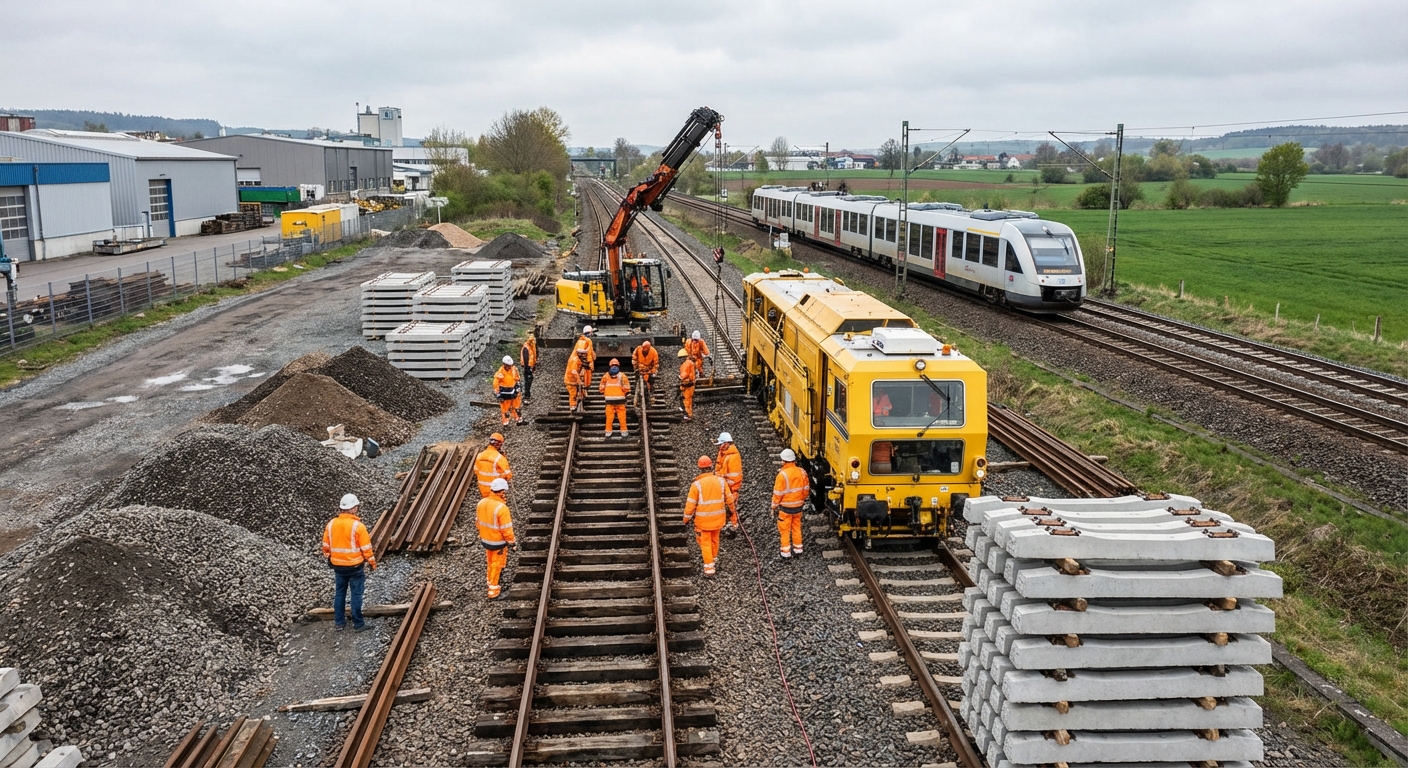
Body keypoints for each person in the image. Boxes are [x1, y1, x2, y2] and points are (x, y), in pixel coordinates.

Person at [321, 493, 377, 631]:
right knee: (356, 594)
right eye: (356, 506)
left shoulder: (331, 524)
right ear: (352, 508)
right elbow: (366, 548)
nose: (357, 509)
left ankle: (339, 623)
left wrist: (330, 557)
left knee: (340, 593)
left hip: (338, 567)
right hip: (355, 566)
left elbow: (325, 546)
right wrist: (372, 563)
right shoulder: (358, 526)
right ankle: (358, 624)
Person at [683, 456, 738, 577]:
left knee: (705, 542)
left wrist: (685, 519)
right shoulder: (721, 481)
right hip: (718, 519)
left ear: (700, 468)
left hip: (703, 522)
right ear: (711, 467)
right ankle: (713, 558)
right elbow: (730, 499)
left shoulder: (696, 485)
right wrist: (732, 512)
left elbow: (690, 505)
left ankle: (709, 568)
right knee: (715, 539)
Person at [476, 478, 517, 598]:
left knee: (490, 562)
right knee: (496, 564)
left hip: (485, 539)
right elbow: (506, 529)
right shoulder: (501, 508)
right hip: (497, 542)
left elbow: (478, 522)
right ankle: (493, 591)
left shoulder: (481, 503)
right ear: (502, 491)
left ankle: (490, 581)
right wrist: (512, 542)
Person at [772, 449, 810, 559]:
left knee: (784, 529)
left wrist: (774, 505)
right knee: (796, 527)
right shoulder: (802, 472)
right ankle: (798, 549)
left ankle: (785, 552)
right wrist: (801, 499)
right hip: (798, 507)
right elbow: (806, 489)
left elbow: (778, 493)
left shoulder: (782, 475)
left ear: (784, 461)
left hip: (786, 508)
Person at [599, 358, 632, 438]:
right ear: (618, 366)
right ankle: (624, 432)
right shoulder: (622, 376)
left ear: (610, 366)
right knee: (622, 417)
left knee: (609, 417)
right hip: (620, 400)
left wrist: (606, 393)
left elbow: (601, 388)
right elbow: (627, 388)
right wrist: (624, 394)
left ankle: (608, 432)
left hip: (609, 401)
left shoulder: (606, 376)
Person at [474, 433, 513, 497]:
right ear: (499, 444)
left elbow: (476, 471)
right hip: (496, 489)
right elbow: (508, 475)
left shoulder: (479, 455)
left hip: (483, 488)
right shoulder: (499, 457)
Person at [494, 356, 522, 426]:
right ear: (504, 365)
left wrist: (518, 386)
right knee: (505, 409)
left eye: (510, 366)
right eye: (508, 366)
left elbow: (517, 378)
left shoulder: (514, 369)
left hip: (513, 391)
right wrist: (498, 394)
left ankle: (518, 418)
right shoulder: (500, 373)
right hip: (504, 393)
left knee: (516, 406)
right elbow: (496, 383)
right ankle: (505, 421)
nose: (510, 367)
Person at [565, 348, 592, 413]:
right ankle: (573, 408)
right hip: (571, 381)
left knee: (576, 394)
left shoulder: (578, 360)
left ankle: (575, 406)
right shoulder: (575, 361)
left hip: (573, 380)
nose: (585, 356)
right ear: (579, 354)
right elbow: (574, 371)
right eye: (583, 354)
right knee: (573, 394)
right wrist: (579, 380)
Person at [678, 353, 698, 421]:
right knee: (687, 400)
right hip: (688, 385)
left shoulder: (687, 364)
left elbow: (684, 374)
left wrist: (681, 377)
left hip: (688, 385)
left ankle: (688, 415)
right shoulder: (689, 363)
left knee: (687, 401)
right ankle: (687, 414)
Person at [519, 335, 538, 400]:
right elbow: (525, 358)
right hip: (527, 367)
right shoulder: (526, 348)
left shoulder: (530, 347)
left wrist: (534, 365)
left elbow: (532, 357)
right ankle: (527, 394)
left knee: (529, 380)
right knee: (528, 380)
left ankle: (527, 394)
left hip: (530, 366)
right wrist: (527, 368)